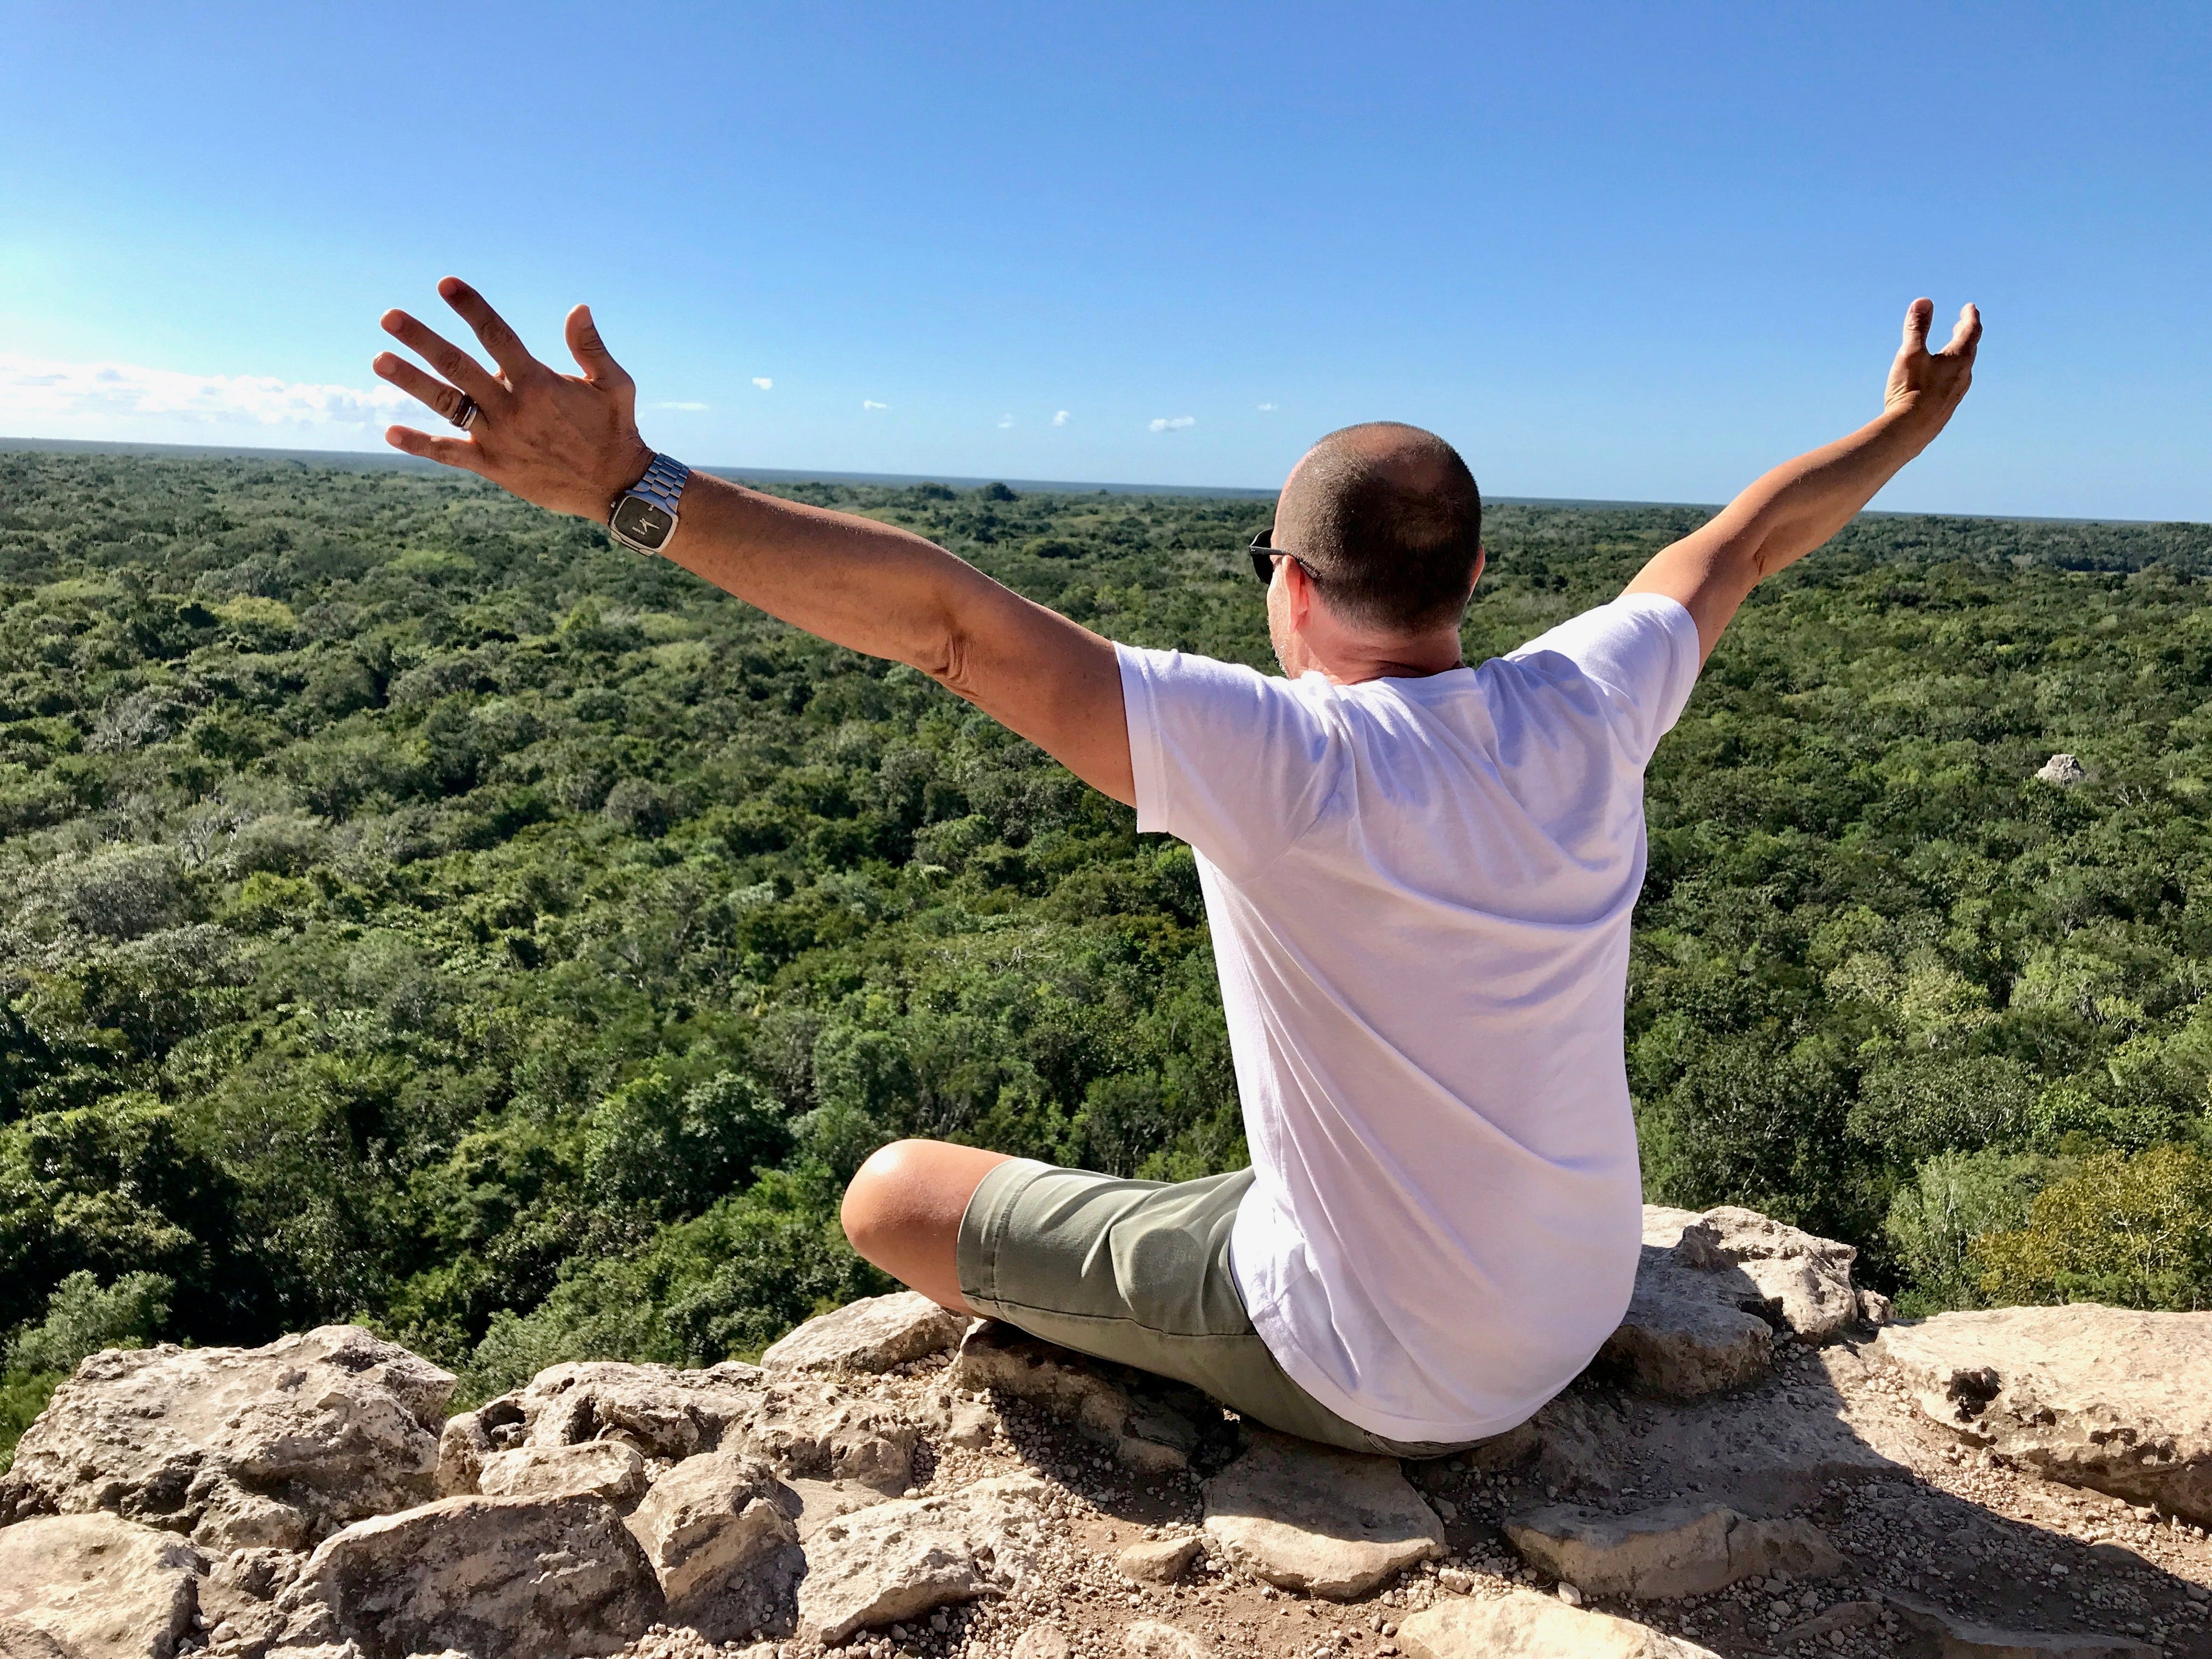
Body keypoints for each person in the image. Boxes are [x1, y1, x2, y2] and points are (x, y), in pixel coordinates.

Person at [374, 283, 1980, 1455]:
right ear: (1477, 579)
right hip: (1574, 1296)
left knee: (892, 1195)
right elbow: (1745, 541)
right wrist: (1905, 426)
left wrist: (626, 490)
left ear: (1286, 587)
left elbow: (949, 623)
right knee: (1203, 1187)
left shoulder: (1287, 763)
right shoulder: (1589, 700)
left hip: (1391, 1374)